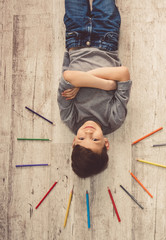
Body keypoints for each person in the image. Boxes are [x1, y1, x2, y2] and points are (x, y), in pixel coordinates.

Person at [57, 0, 132, 178]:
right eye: (95, 139)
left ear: (74, 142)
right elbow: (123, 73)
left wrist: (105, 83)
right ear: (106, 143)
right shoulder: (113, 120)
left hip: (76, 38)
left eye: (82, 139)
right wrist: (92, 82)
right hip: (107, 39)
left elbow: (68, 77)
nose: (88, 132)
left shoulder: (70, 119)